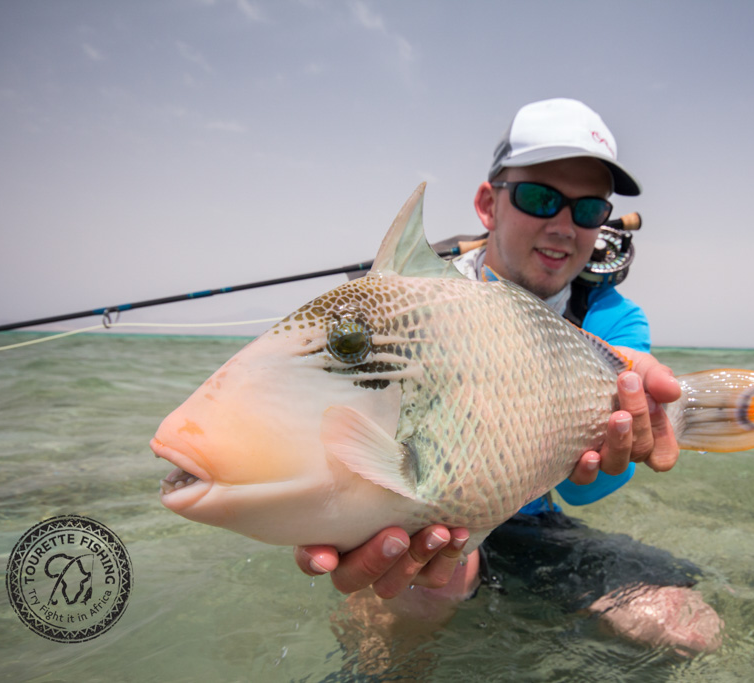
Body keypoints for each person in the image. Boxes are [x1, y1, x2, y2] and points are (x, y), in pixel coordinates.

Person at [294, 98, 722, 654]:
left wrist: (624, 438)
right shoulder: (422, 299)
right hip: (425, 513)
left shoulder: (613, 318)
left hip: (531, 519)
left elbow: (583, 490)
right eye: (540, 198)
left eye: (588, 208)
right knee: (424, 584)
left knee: (685, 627)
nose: (564, 225)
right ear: (487, 205)